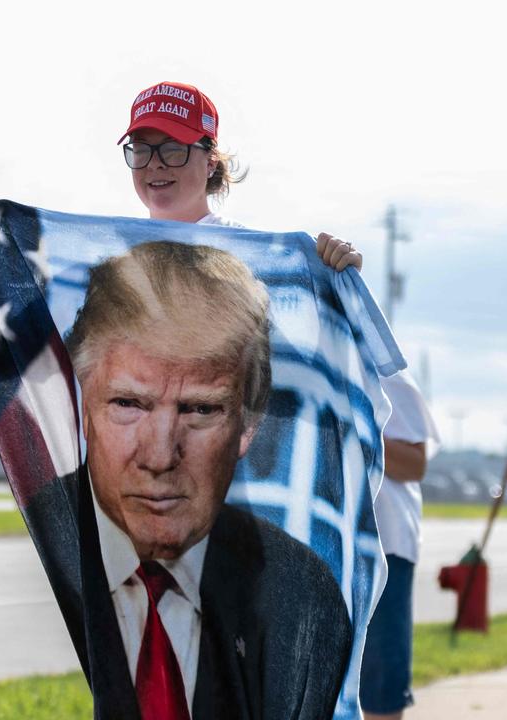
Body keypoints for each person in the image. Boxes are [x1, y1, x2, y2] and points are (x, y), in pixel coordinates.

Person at [68, 241, 352, 718]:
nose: (159, 457)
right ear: (81, 407)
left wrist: (336, 280)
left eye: (200, 409)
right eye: (128, 404)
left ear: (249, 424)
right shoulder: (43, 534)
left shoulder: (301, 595)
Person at [0, 80, 362, 271]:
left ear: (211, 160)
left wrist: (336, 276)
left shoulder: (254, 256)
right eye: (142, 150)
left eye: (174, 149)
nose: (155, 164)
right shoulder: (108, 258)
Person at [360, 370, 439, 720]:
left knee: (380, 683)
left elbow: (415, 464)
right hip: (325, 542)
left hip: (385, 544)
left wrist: (359, 426)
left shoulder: (388, 375)